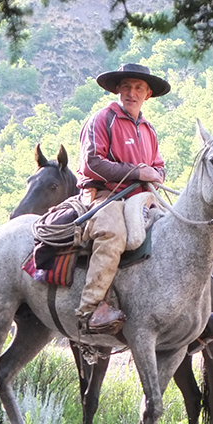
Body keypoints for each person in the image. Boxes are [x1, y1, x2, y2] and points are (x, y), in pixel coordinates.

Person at [75, 63, 168, 334]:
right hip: (106, 195)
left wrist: (155, 174)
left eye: (138, 87)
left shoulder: (149, 130)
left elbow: (159, 165)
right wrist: (136, 171)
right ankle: (89, 310)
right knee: (112, 234)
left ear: (148, 94)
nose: (132, 92)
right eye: (126, 86)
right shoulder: (102, 119)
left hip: (144, 200)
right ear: (118, 89)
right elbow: (92, 162)